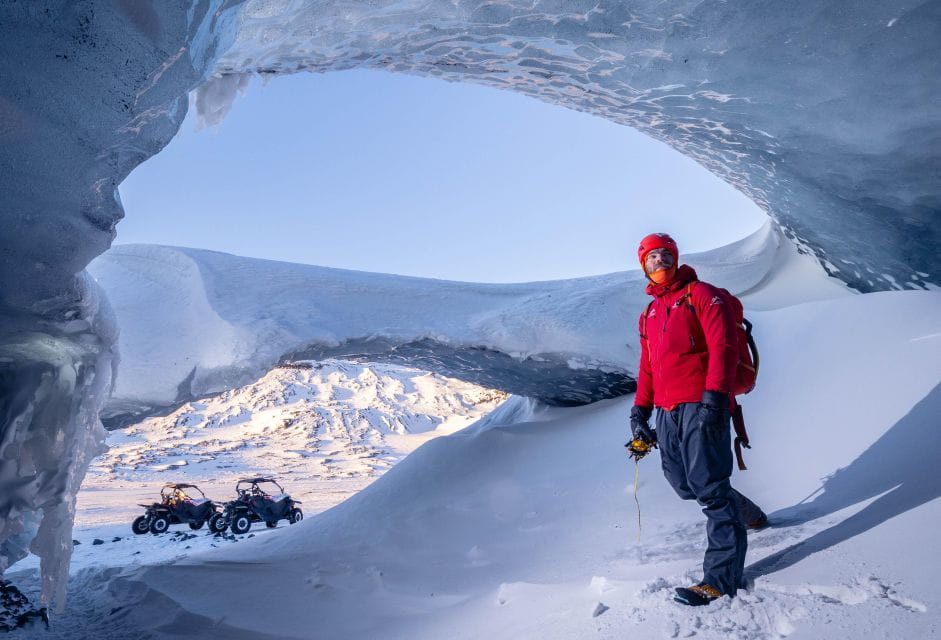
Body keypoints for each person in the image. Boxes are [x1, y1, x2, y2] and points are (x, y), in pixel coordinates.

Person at [628, 232, 767, 607]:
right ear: (643, 264)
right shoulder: (650, 312)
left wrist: (715, 399)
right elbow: (649, 366)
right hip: (667, 410)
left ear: (675, 258)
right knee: (684, 484)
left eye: (664, 254)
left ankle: (720, 580)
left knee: (709, 487)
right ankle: (749, 514)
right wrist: (640, 411)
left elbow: (722, 347)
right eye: (651, 257)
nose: (659, 261)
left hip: (702, 403)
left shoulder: (702, 295)